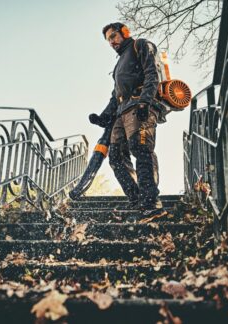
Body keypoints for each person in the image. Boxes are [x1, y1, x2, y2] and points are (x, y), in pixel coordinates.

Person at [89, 22, 165, 218]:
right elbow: (115, 96)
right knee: (115, 157)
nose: (111, 42)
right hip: (121, 113)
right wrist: (103, 117)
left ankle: (151, 202)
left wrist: (145, 102)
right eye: (108, 40)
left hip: (140, 106)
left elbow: (152, 73)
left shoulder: (139, 45)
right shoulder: (118, 65)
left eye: (113, 36)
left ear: (124, 32)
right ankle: (137, 200)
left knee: (141, 149)